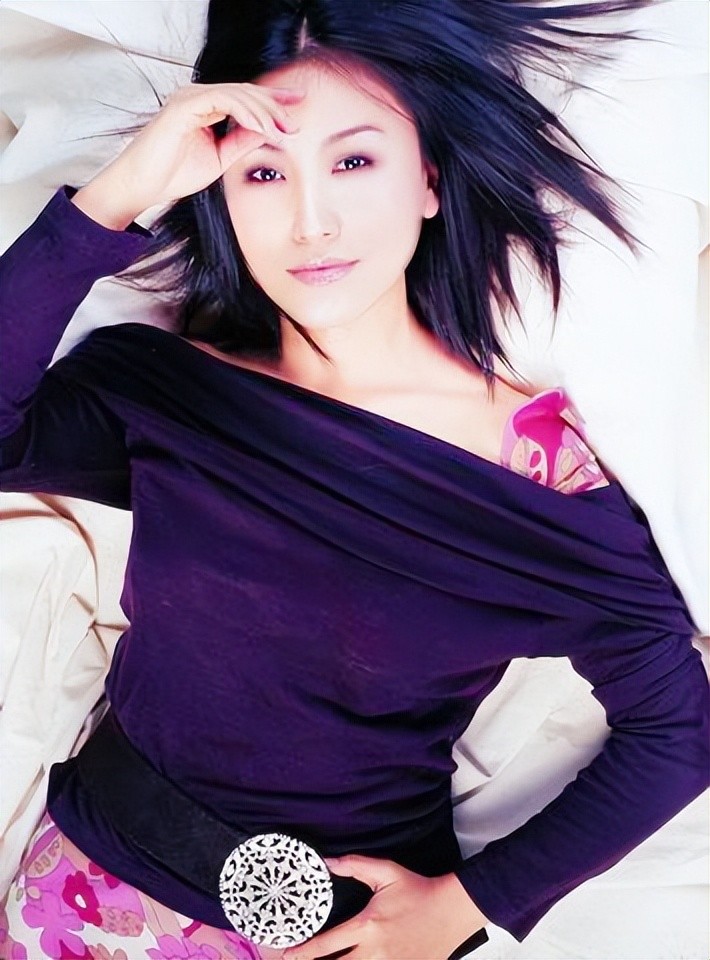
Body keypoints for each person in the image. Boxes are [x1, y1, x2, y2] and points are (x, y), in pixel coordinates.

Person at [0, 1, 707, 958]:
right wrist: (118, 194)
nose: (311, 221)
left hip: (339, 937)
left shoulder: (532, 478)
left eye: (355, 161)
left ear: (429, 179)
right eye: (263, 171)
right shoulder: (171, 394)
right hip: (75, 896)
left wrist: (469, 903)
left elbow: (676, 729)